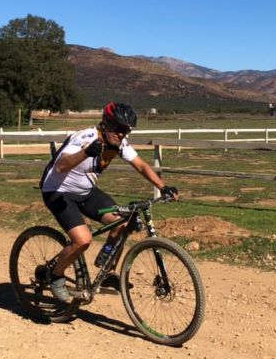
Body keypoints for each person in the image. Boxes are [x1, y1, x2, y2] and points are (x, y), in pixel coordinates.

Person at [40, 101, 177, 302]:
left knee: (123, 224)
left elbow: (140, 165)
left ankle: (107, 272)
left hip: (86, 191)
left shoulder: (119, 143)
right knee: (83, 240)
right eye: (118, 128)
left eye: (126, 130)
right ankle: (55, 275)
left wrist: (163, 187)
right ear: (105, 123)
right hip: (58, 191)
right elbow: (60, 166)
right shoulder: (85, 138)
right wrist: (86, 152)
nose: (121, 134)